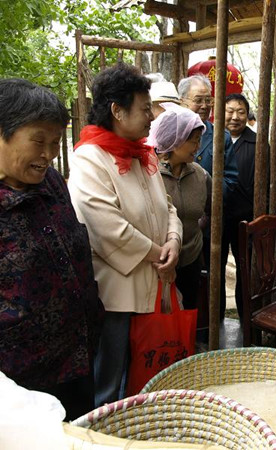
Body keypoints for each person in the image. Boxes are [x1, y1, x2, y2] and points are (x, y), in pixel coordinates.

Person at [68, 63, 183, 407]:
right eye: (145, 108)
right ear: (117, 111)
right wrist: (158, 254)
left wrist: (174, 241)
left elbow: (168, 208)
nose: (152, 117)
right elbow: (107, 228)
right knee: (110, 383)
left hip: (155, 283)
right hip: (117, 297)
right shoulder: (89, 158)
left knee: (145, 379)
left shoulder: (141, 154)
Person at [0, 78, 103, 419]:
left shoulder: (52, 181)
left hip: (76, 357)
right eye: (38, 141)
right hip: (20, 381)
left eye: (55, 141)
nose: (48, 155)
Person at [178, 74, 237, 322]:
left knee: (213, 277)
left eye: (208, 100)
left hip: (211, 224)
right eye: (198, 100)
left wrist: (206, 200)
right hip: (179, 225)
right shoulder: (172, 132)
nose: (204, 106)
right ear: (182, 102)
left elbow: (230, 179)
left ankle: (212, 325)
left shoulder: (220, 136)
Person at [147, 102, 212, 310]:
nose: (197, 147)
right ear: (175, 140)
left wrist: (193, 236)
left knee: (187, 316)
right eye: (193, 141)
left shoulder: (201, 176)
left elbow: (209, 212)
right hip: (157, 264)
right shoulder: (149, 174)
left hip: (191, 261)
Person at [223, 93, 256, 319]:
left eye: (241, 112)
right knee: (216, 268)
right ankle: (214, 318)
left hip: (245, 217)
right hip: (217, 216)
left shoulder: (257, 143)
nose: (235, 117)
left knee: (245, 268)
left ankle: (246, 318)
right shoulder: (211, 138)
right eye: (230, 111)